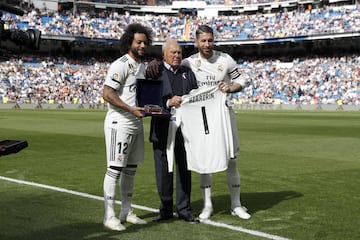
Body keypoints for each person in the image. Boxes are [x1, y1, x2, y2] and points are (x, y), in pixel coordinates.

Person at [147, 25, 251, 220]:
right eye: (203, 41)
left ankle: (236, 204)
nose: (207, 44)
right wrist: (153, 62)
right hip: (199, 119)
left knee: (232, 159)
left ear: (213, 40)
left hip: (223, 115)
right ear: (196, 42)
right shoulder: (189, 62)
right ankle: (207, 205)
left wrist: (230, 87)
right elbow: (166, 63)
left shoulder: (225, 59)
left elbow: (242, 80)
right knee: (203, 159)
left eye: (210, 40)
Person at [101, 23, 153, 231]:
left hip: (136, 124)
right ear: (129, 42)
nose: (142, 46)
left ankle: (126, 211)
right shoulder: (120, 64)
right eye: (138, 42)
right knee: (114, 169)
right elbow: (107, 93)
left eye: (145, 43)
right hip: (119, 123)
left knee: (130, 170)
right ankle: (109, 215)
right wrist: (130, 109)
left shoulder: (142, 67)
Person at [149, 39, 199, 223]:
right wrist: (168, 103)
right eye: (173, 52)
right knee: (163, 172)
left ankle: (185, 209)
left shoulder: (188, 73)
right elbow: (147, 103)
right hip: (162, 130)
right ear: (163, 55)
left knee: (185, 171)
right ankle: (166, 209)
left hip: (186, 132)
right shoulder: (154, 71)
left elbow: (196, 98)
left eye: (179, 52)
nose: (177, 55)